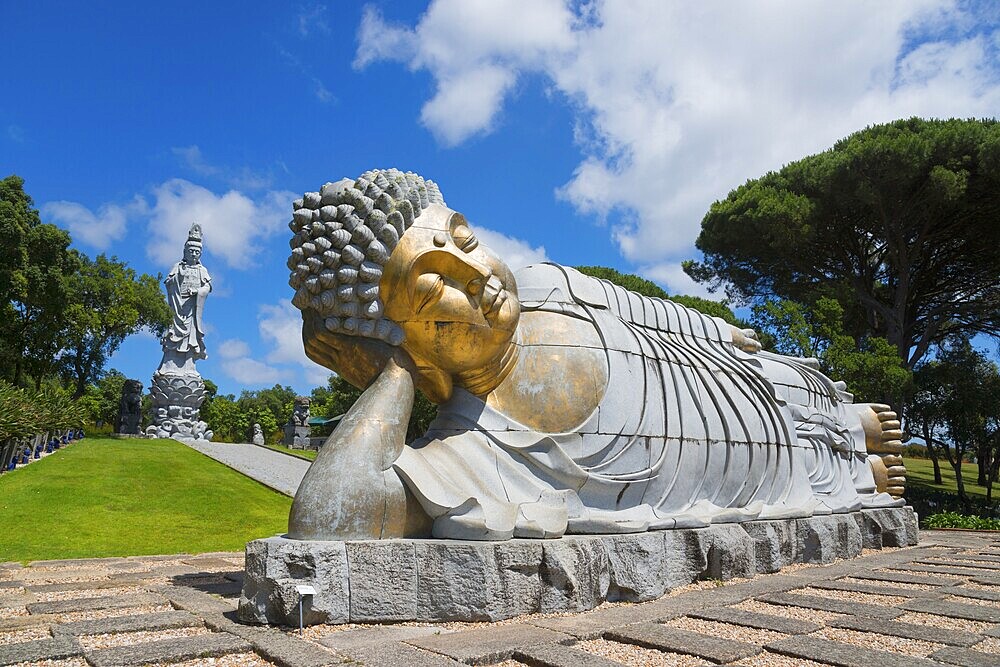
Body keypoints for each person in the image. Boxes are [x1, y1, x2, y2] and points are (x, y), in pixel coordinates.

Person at [287, 169, 904, 541]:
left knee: (786, 381)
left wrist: (714, 328)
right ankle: (852, 469)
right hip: (707, 472)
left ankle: (841, 423)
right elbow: (327, 519)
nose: (473, 275)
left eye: (464, 239)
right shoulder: (467, 455)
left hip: (696, 371)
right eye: (431, 286)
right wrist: (393, 371)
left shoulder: (543, 283)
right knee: (799, 467)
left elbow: (643, 309)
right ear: (404, 339)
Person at [162, 224, 212, 364]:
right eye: (191, 251)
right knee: (173, 334)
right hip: (177, 306)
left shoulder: (202, 270)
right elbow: (168, 282)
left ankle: (188, 363)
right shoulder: (178, 267)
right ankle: (169, 363)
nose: (194, 254)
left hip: (192, 308)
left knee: (192, 337)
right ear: (185, 251)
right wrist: (178, 277)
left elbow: (207, 287)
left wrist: (197, 291)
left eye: (197, 252)